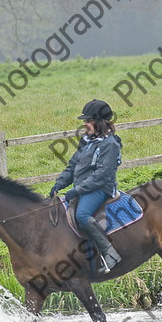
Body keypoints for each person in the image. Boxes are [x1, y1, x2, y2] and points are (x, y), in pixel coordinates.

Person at [50, 99, 123, 274]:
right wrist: (59, 184)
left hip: (101, 188)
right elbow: (72, 166)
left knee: (82, 214)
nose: (85, 124)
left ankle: (110, 253)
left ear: (99, 122)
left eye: (88, 121)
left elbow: (102, 176)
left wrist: (77, 190)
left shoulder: (110, 145)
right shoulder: (87, 141)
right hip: (84, 187)